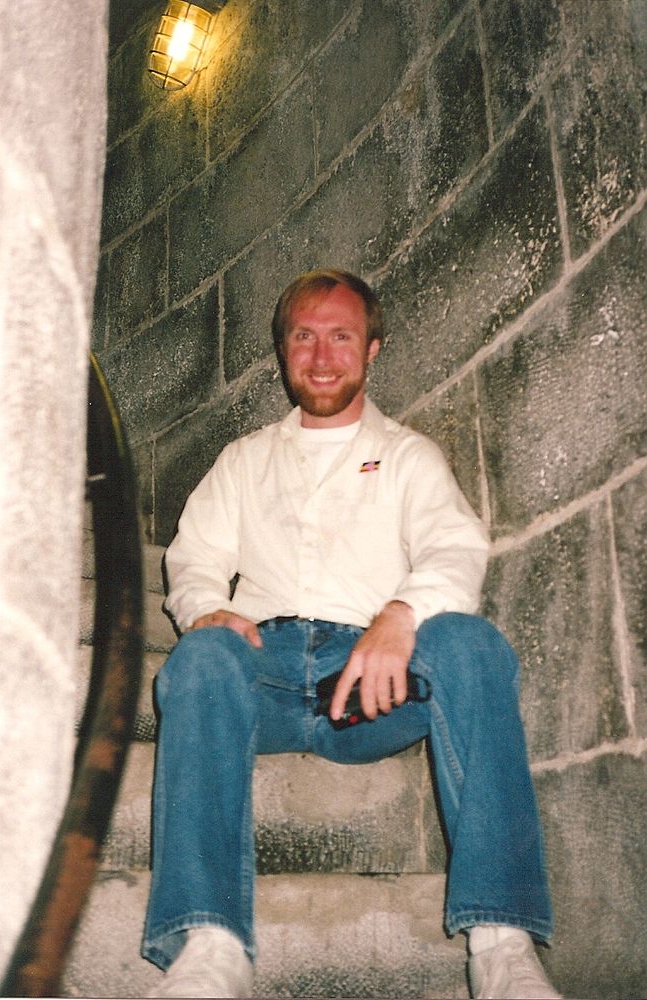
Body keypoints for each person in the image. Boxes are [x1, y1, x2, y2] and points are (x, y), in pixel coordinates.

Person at [143, 269, 562, 999]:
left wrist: (399, 618)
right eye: (304, 336)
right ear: (283, 352)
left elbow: (453, 549)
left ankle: (502, 943)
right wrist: (208, 608)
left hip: (370, 680)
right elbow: (194, 559)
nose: (323, 354)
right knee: (202, 653)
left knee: (470, 643)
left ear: (372, 350)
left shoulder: (407, 455)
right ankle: (211, 946)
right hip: (263, 674)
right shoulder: (244, 459)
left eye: (342, 335)